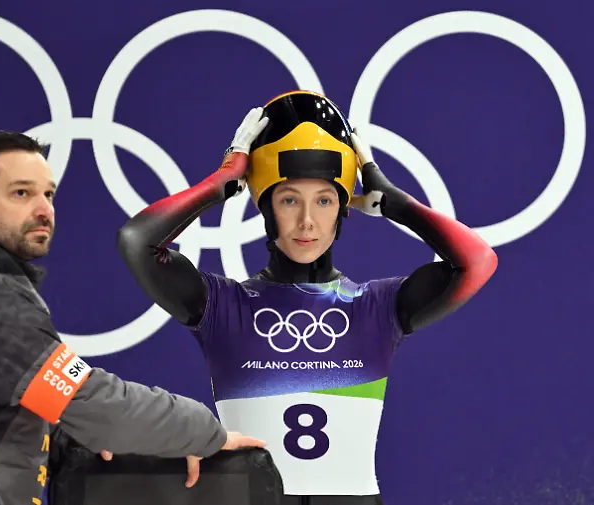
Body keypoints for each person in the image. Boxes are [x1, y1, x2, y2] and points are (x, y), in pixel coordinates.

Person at [116, 91, 498, 504]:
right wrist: (220, 182)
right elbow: (137, 242)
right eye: (288, 200)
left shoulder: (377, 307)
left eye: (324, 200)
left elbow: (477, 261)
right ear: (265, 207)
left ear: (344, 207)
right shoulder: (222, 306)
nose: (307, 221)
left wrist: (393, 200)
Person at [0, 131, 265, 505]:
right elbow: (92, 402)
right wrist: (205, 434)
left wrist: (137, 438)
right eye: (21, 193)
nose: (44, 208)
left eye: (48, 194)